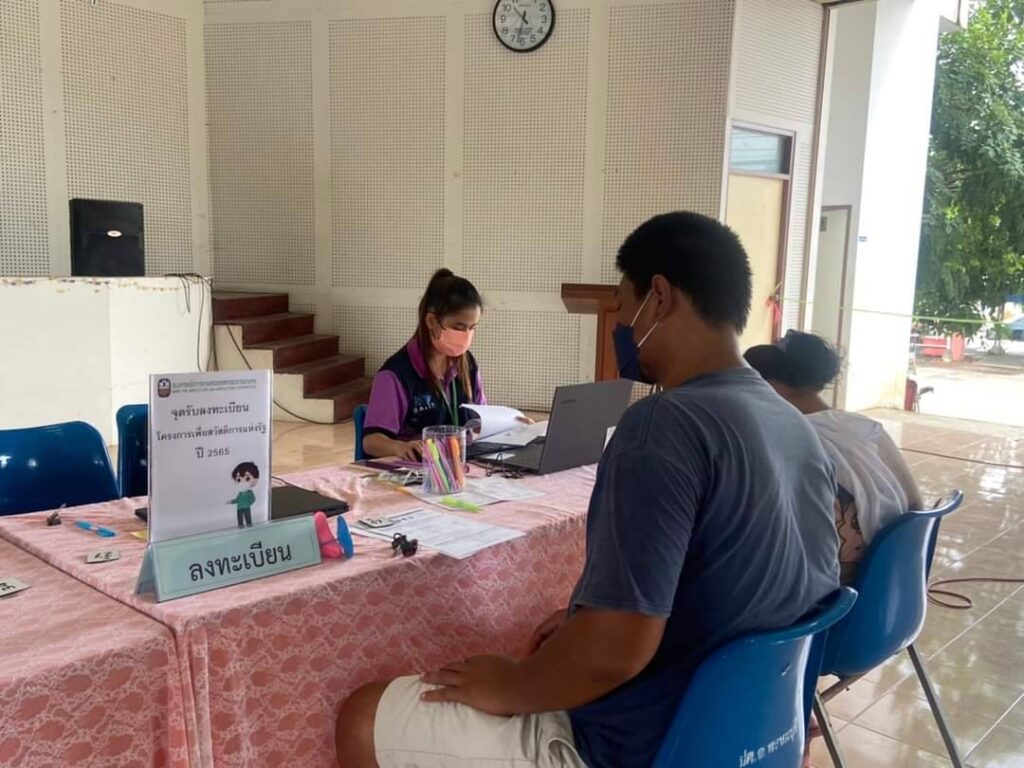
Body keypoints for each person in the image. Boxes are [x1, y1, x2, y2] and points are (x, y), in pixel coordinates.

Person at [334, 212, 840, 768]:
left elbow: (615, 653)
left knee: (362, 716)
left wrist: (513, 684)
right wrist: (595, 619)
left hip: (643, 744)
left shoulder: (660, 426)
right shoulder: (796, 425)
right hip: (758, 735)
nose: (620, 323)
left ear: (659, 298)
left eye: (622, 304)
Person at [745, 331, 923, 582]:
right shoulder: (866, 428)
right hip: (895, 582)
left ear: (771, 386)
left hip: (836, 593)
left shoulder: (790, 441)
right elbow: (917, 505)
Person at [362, 269, 486, 460]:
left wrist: (512, 426)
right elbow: (371, 441)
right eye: (458, 327)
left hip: (462, 465)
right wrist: (398, 447)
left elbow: (482, 420)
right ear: (431, 321)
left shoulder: (467, 364)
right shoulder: (395, 374)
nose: (466, 335)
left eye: (472, 328)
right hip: (416, 469)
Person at [227, 461, 259, 528]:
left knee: (248, 518)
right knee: (240, 519)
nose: (242, 482)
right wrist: (231, 501)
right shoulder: (240, 493)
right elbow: (237, 500)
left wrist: (248, 503)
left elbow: (253, 499)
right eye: (238, 480)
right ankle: (240, 527)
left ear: (255, 479)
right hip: (239, 508)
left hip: (246, 507)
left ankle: (249, 527)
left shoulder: (249, 492)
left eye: (247, 478)